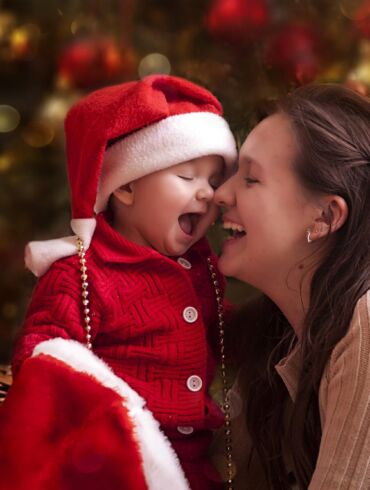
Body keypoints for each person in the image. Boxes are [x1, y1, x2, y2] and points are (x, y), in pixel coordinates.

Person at [0, 74, 237, 490]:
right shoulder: (80, 273)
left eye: (213, 182)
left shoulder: (200, 269)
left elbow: (225, 334)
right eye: (187, 177)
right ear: (125, 185)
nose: (207, 195)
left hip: (196, 461)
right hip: (112, 462)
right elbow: (44, 359)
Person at [214, 84, 370, 489]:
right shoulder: (290, 346)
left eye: (250, 179)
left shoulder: (367, 323)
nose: (219, 194)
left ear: (324, 216)